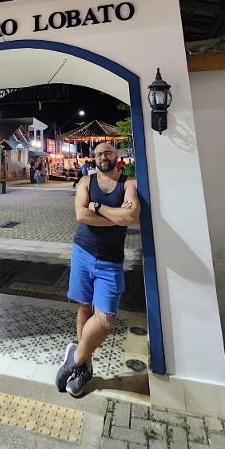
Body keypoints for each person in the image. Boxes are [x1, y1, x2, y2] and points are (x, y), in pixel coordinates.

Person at [55, 142, 140, 397]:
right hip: (82, 252)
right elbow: (81, 215)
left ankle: (76, 357)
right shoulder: (85, 182)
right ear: (94, 158)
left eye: (109, 153)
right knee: (84, 306)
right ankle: (85, 369)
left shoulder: (129, 185)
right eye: (99, 154)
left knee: (105, 319)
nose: (104, 157)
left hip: (111, 261)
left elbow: (132, 218)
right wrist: (114, 215)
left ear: (117, 156)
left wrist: (98, 207)